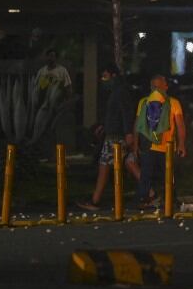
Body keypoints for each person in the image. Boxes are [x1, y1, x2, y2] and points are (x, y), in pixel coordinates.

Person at [77, 64, 135, 211]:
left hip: (116, 136)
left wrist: (128, 133)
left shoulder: (119, 91)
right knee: (130, 163)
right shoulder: (116, 91)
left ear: (113, 75)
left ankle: (95, 201)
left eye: (105, 76)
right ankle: (152, 195)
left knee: (104, 165)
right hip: (115, 133)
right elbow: (115, 113)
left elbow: (126, 112)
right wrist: (104, 125)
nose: (103, 80)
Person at [133, 75, 186, 209]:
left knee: (147, 174)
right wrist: (181, 144)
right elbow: (180, 125)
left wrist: (135, 145)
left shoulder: (144, 102)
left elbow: (137, 126)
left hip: (150, 145)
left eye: (158, 86)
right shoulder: (173, 102)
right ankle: (170, 200)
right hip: (164, 146)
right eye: (155, 86)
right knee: (166, 174)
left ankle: (144, 200)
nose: (157, 89)